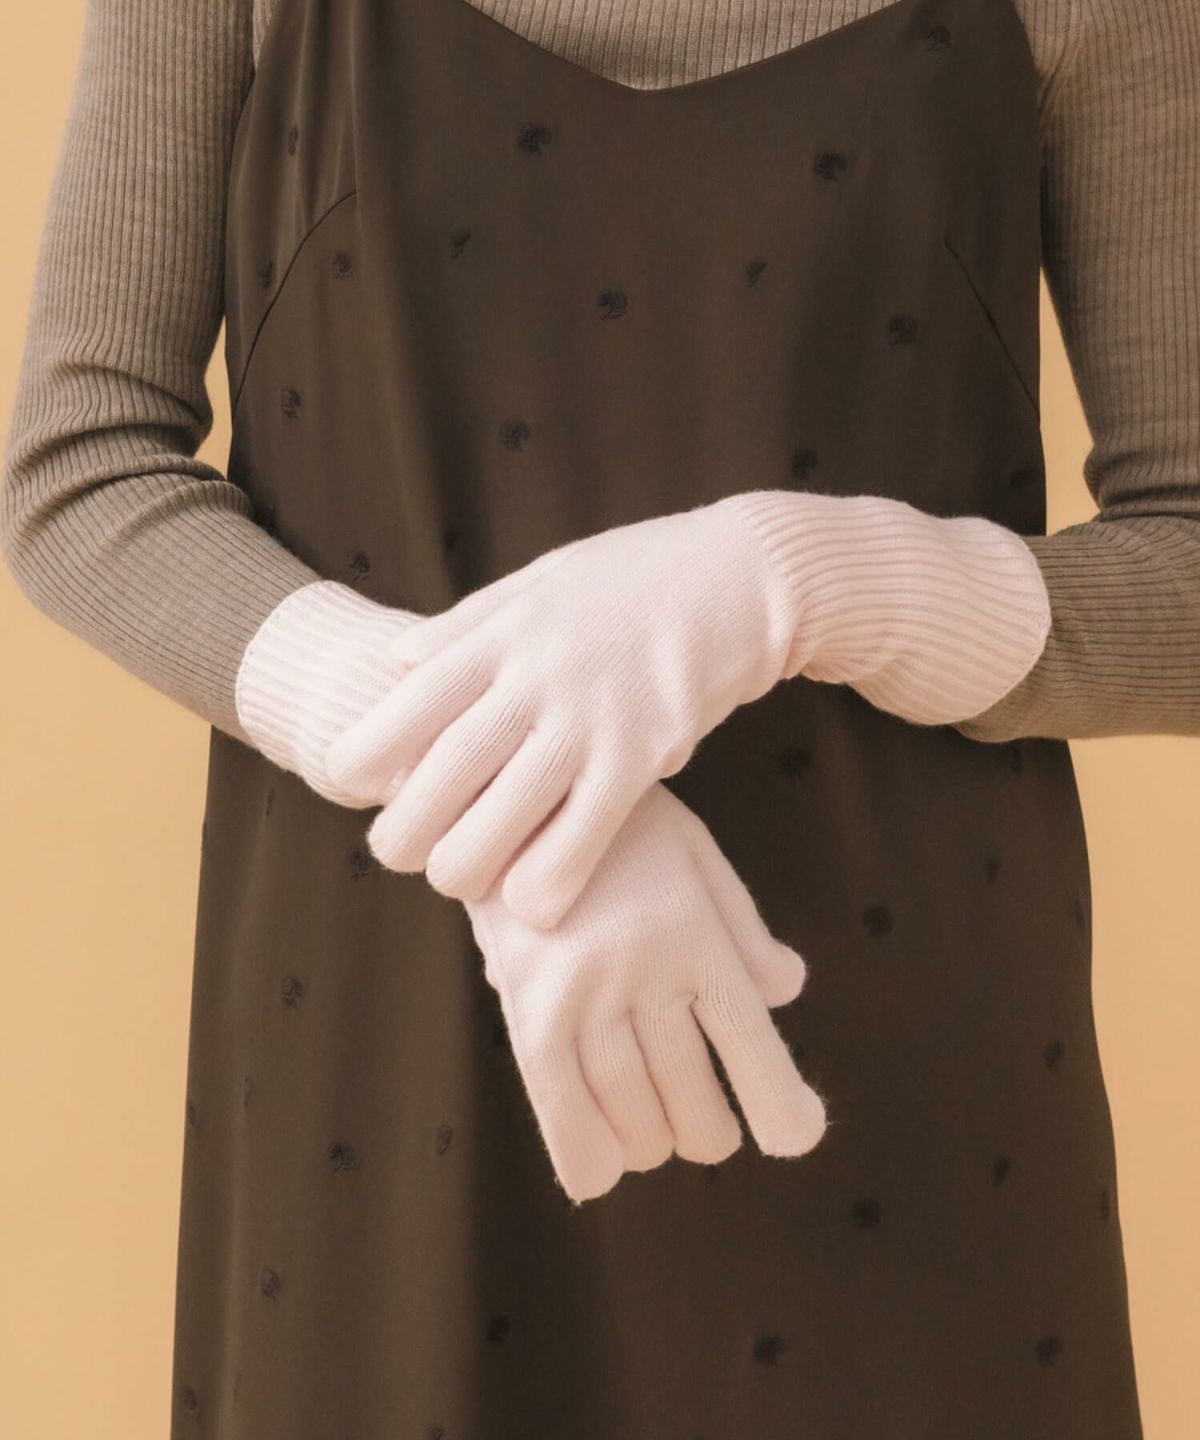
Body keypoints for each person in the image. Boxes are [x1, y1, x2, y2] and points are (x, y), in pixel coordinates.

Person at [1, 1, 1195, 1434]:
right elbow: (84, 464)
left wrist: (794, 578)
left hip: (899, 1064)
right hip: (390, 1059)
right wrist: (507, 794)